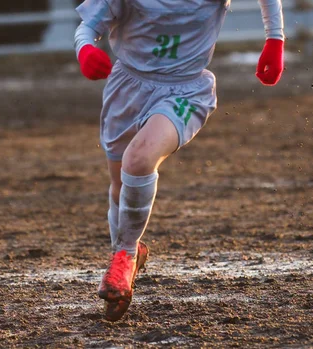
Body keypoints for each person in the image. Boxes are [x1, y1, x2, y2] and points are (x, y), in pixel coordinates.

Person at [73, 0, 285, 322]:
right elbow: (88, 27)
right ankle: (128, 253)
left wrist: (275, 39)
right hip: (126, 88)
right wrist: (85, 49)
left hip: (186, 89)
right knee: (119, 186)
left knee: (139, 160)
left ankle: (125, 255)